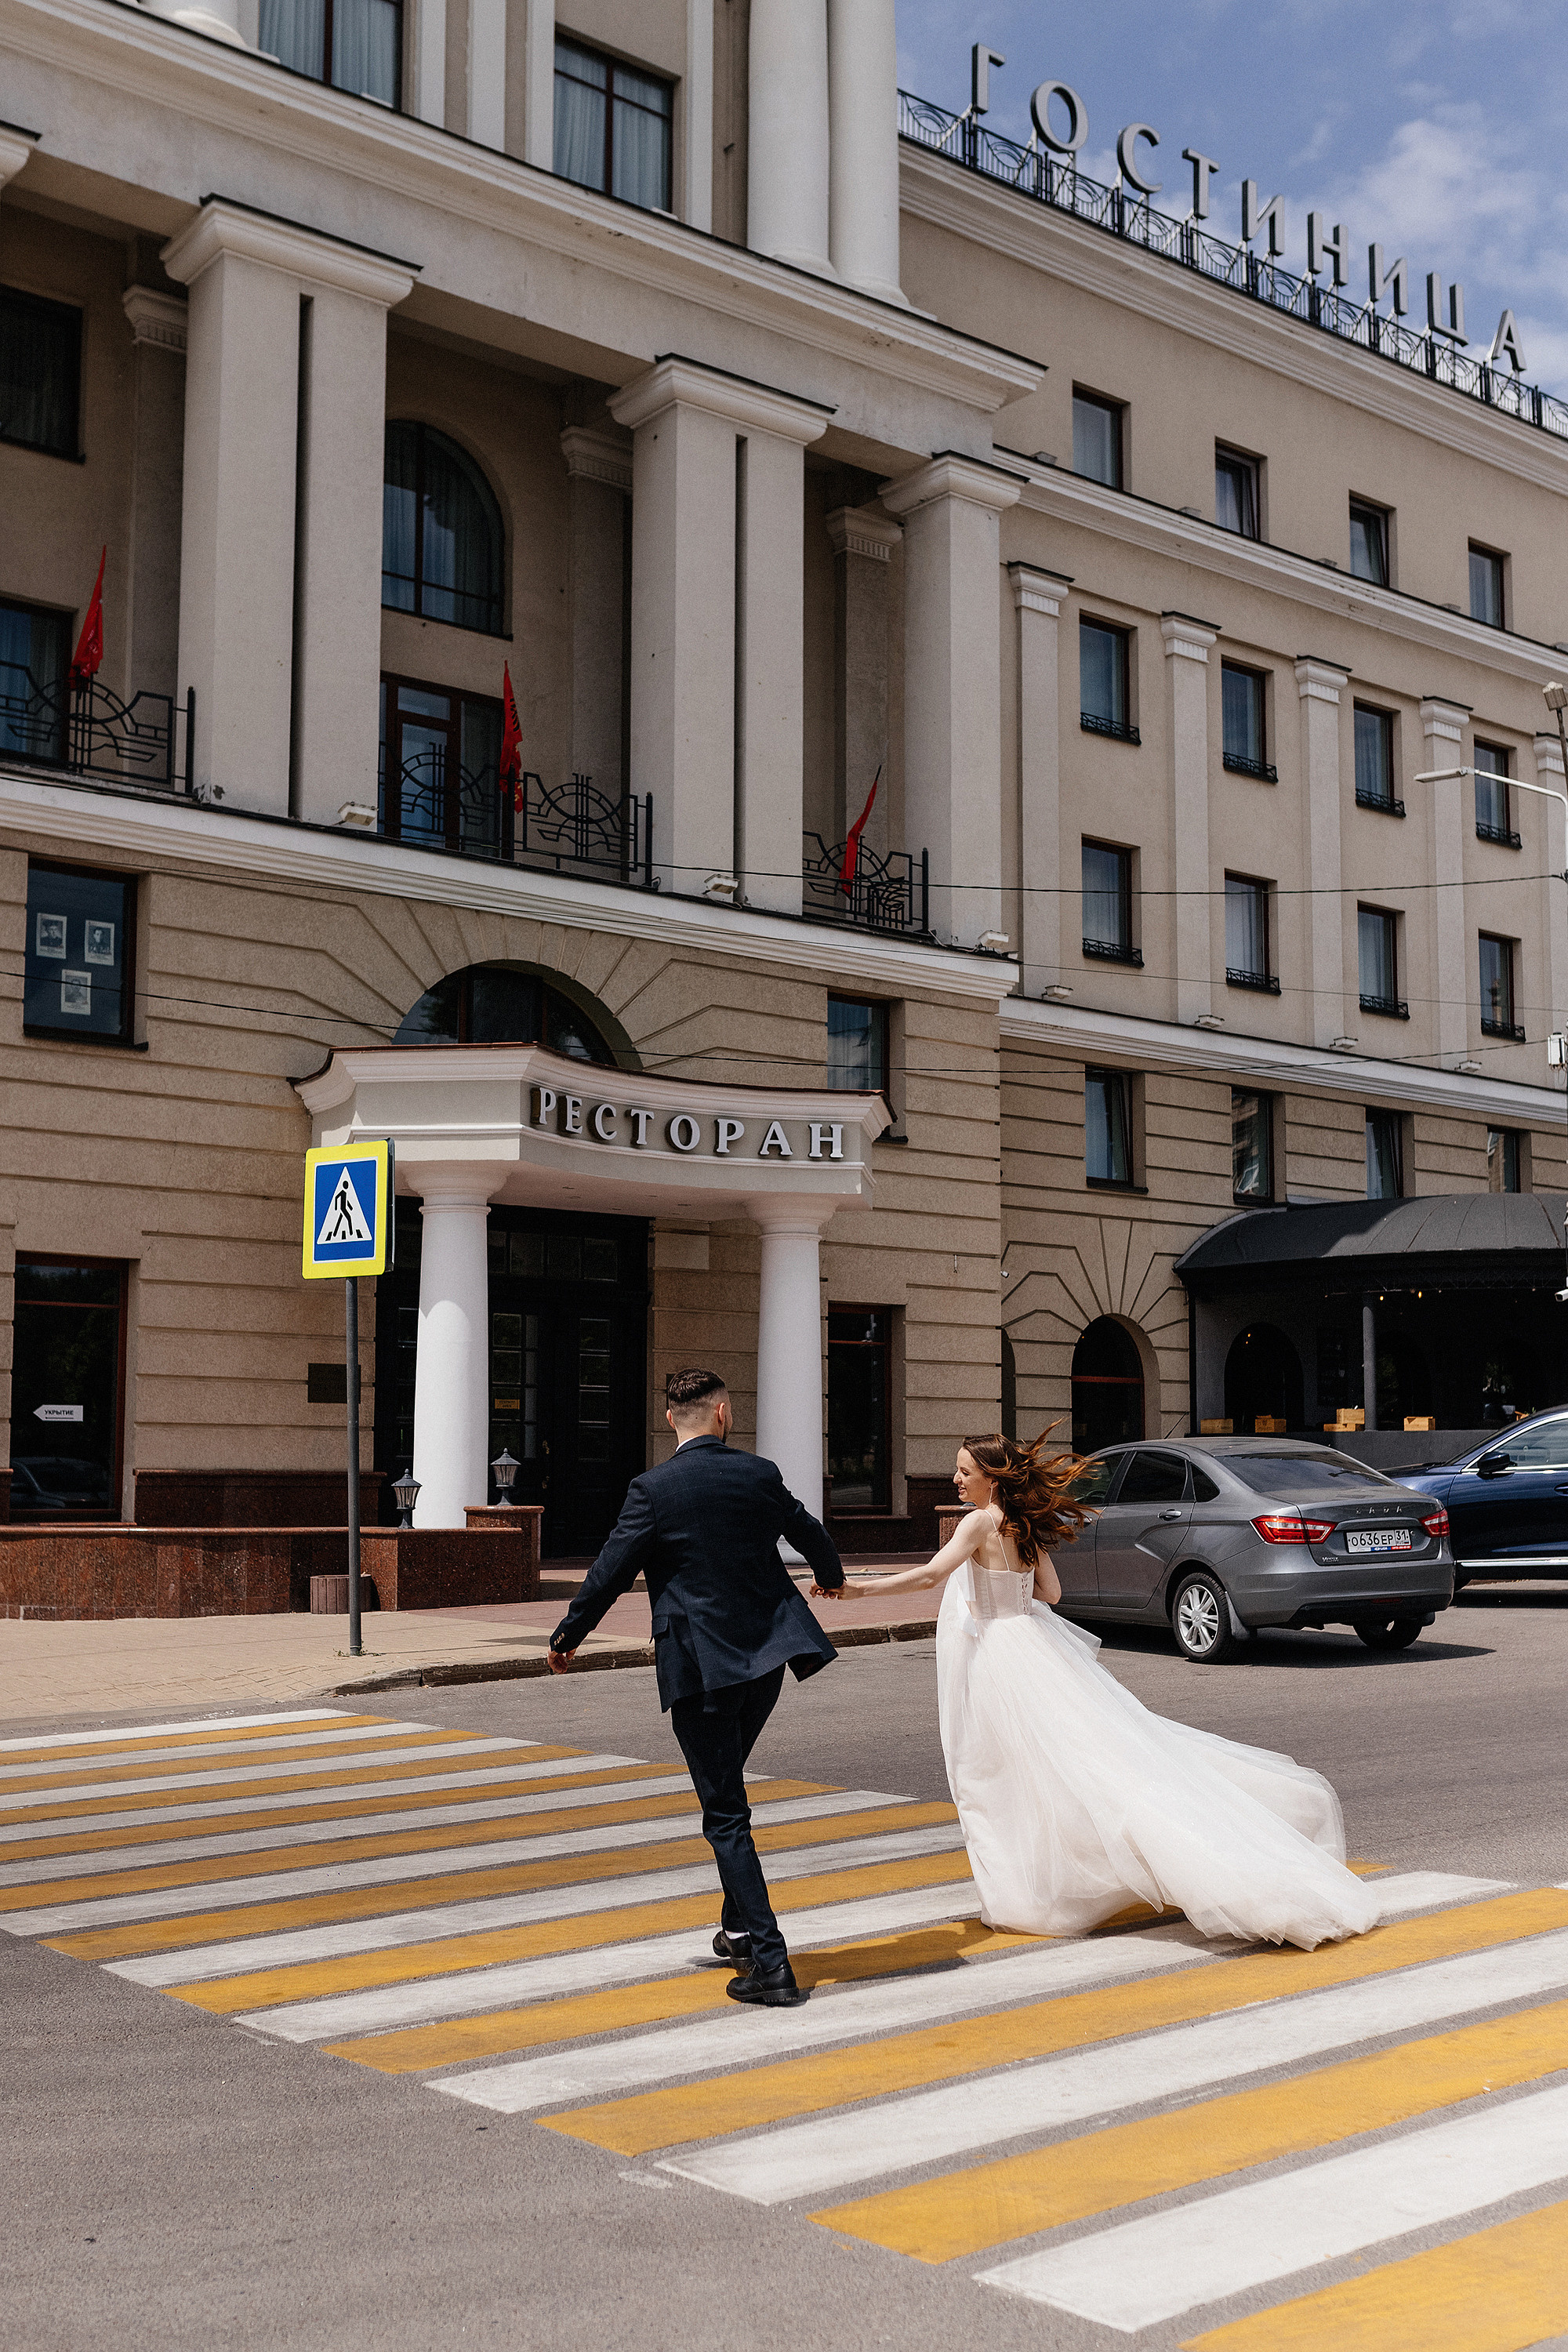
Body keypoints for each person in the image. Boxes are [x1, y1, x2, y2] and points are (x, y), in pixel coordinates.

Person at [818, 1431, 1381, 1951]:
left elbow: (929, 1576)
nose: (957, 1481)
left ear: (992, 1478)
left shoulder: (980, 1524)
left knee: (1000, 1775)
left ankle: (1032, 1894)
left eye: (965, 1472)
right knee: (1084, 1762)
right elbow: (1054, 1593)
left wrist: (856, 1594)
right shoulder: (1022, 1525)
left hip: (998, 1656)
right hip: (1033, 1646)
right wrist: (1009, 1594)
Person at [548, 1367, 846, 2006]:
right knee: (727, 1791)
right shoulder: (757, 1473)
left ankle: (772, 1966)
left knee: (725, 1814)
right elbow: (811, 1533)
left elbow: (610, 1570)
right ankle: (738, 1929)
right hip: (766, 1661)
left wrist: (568, 1636)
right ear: (722, 1412)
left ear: (669, 1420)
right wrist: (830, 1576)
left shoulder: (653, 1488)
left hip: (701, 1668)